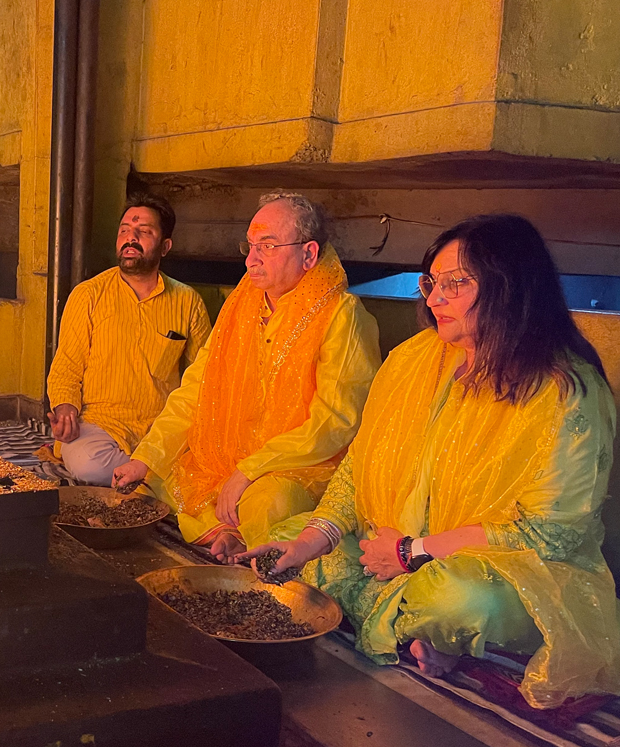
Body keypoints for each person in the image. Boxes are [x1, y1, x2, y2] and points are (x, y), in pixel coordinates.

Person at [243, 215, 620, 708]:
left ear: (509, 288)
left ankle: (428, 627)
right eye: (432, 283)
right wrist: (315, 539)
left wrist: (412, 552)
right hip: (388, 544)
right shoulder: (412, 360)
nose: (434, 299)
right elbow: (360, 466)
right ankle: (424, 634)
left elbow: (551, 534)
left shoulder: (565, 390)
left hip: (502, 569)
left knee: (457, 599)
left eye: (455, 284)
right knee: (289, 537)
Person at [113, 193, 380, 558]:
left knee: (270, 501)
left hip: (297, 466)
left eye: (267, 247)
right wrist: (146, 457)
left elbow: (335, 422)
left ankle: (236, 537)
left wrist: (249, 470)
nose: (251, 260)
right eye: (250, 246)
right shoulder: (242, 304)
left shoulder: (342, 315)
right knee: (159, 475)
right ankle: (228, 532)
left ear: (309, 254)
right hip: (229, 454)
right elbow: (197, 390)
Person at [45, 194, 211, 486]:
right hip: (101, 425)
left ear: (165, 246)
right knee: (88, 464)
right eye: (124, 230)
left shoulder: (188, 302)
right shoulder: (88, 295)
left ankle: (146, 472)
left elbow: (203, 376)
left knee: (212, 457)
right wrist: (66, 408)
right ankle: (155, 476)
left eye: (143, 231)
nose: (130, 238)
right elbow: (66, 366)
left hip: (161, 429)